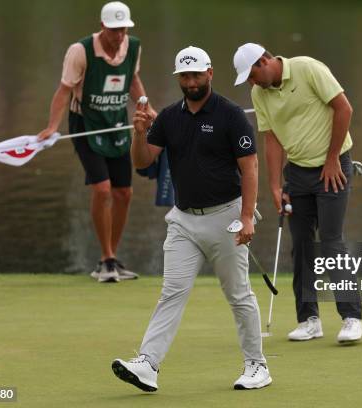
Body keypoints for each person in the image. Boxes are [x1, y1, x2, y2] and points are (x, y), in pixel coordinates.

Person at [111, 46, 271, 391]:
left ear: (210, 73)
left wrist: (247, 217)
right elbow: (142, 163)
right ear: (178, 78)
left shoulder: (230, 115)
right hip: (184, 220)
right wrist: (138, 133)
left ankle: (257, 365)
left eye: (197, 74)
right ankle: (148, 364)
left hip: (226, 217)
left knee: (238, 294)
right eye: (185, 76)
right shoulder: (169, 117)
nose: (191, 81)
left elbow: (250, 167)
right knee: (172, 292)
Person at [233, 43, 362, 343]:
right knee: (302, 245)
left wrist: (332, 159)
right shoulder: (260, 93)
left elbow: (344, 108)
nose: (252, 83)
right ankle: (309, 319)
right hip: (298, 173)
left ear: (264, 61)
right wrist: (276, 186)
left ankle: (351, 317)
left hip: (334, 166)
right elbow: (272, 140)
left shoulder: (308, 68)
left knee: (331, 242)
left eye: (252, 75)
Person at [37, 2, 157, 283]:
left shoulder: (133, 46)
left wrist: (146, 106)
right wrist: (52, 127)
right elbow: (64, 90)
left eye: (123, 29)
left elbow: (132, 80)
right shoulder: (80, 51)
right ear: (103, 27)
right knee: (102, 189)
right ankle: (105, 259)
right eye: (114, 30)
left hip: (116, 123)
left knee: (124, 193)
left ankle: (112, 257)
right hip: (86, 125)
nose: (119, 35)